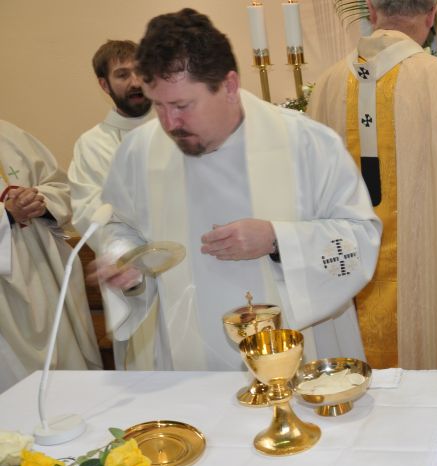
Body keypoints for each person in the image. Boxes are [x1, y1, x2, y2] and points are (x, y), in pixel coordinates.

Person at [95, 9, 381, 371]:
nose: (169, 123)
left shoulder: (307, 143)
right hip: (190, 357)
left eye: (182, 105)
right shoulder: (139, 152)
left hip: (298, 351)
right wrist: (124, 262)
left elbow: (359, 238)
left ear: (229, 86)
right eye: (159, 105)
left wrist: (277, 240)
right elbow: (120, 226)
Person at [308, 0, 437, 371]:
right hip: (430, 291)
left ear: (371, 11)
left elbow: (306, 199)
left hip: (346, 286)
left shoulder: (326, 86)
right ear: (432, 14)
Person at [0, 120, 101, 392]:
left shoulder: (10, 135)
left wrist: (40, 201)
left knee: (70, 379)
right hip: (5, 303)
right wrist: (7, 214)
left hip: (46, 274)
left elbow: (61, 186)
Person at [69, 40, 153, 238]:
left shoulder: (179, 129)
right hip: (133, 255)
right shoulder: (92, 144)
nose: (135, 82)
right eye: (123, 75)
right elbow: (90, 214)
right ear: (104, 84)